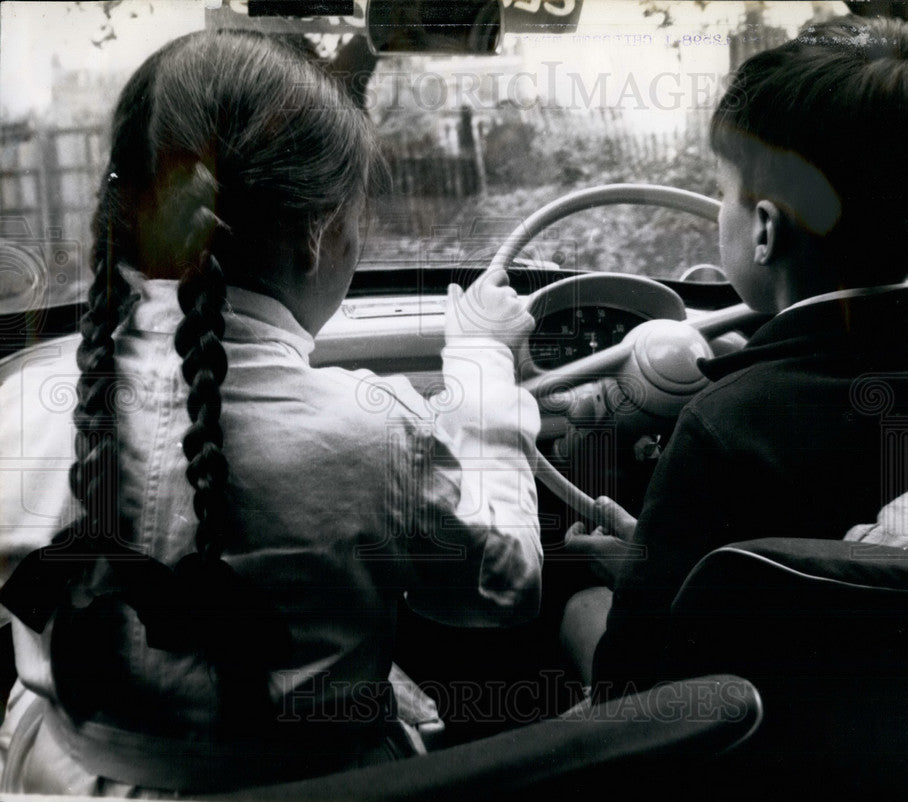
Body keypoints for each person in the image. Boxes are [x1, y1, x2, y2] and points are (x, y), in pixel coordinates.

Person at [0, 30, 541, 795]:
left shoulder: (21, 401)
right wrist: (482, 368)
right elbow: (503, 588)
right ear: (319, 235)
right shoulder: (376, 431)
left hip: (57, 777)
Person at [563, 13, 908, 699]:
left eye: (723, 191)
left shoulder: (723, 425)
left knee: (582, 607)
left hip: (752, 740)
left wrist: (646, 576)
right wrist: (666, 566)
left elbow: (635, 687)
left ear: (764, 230)